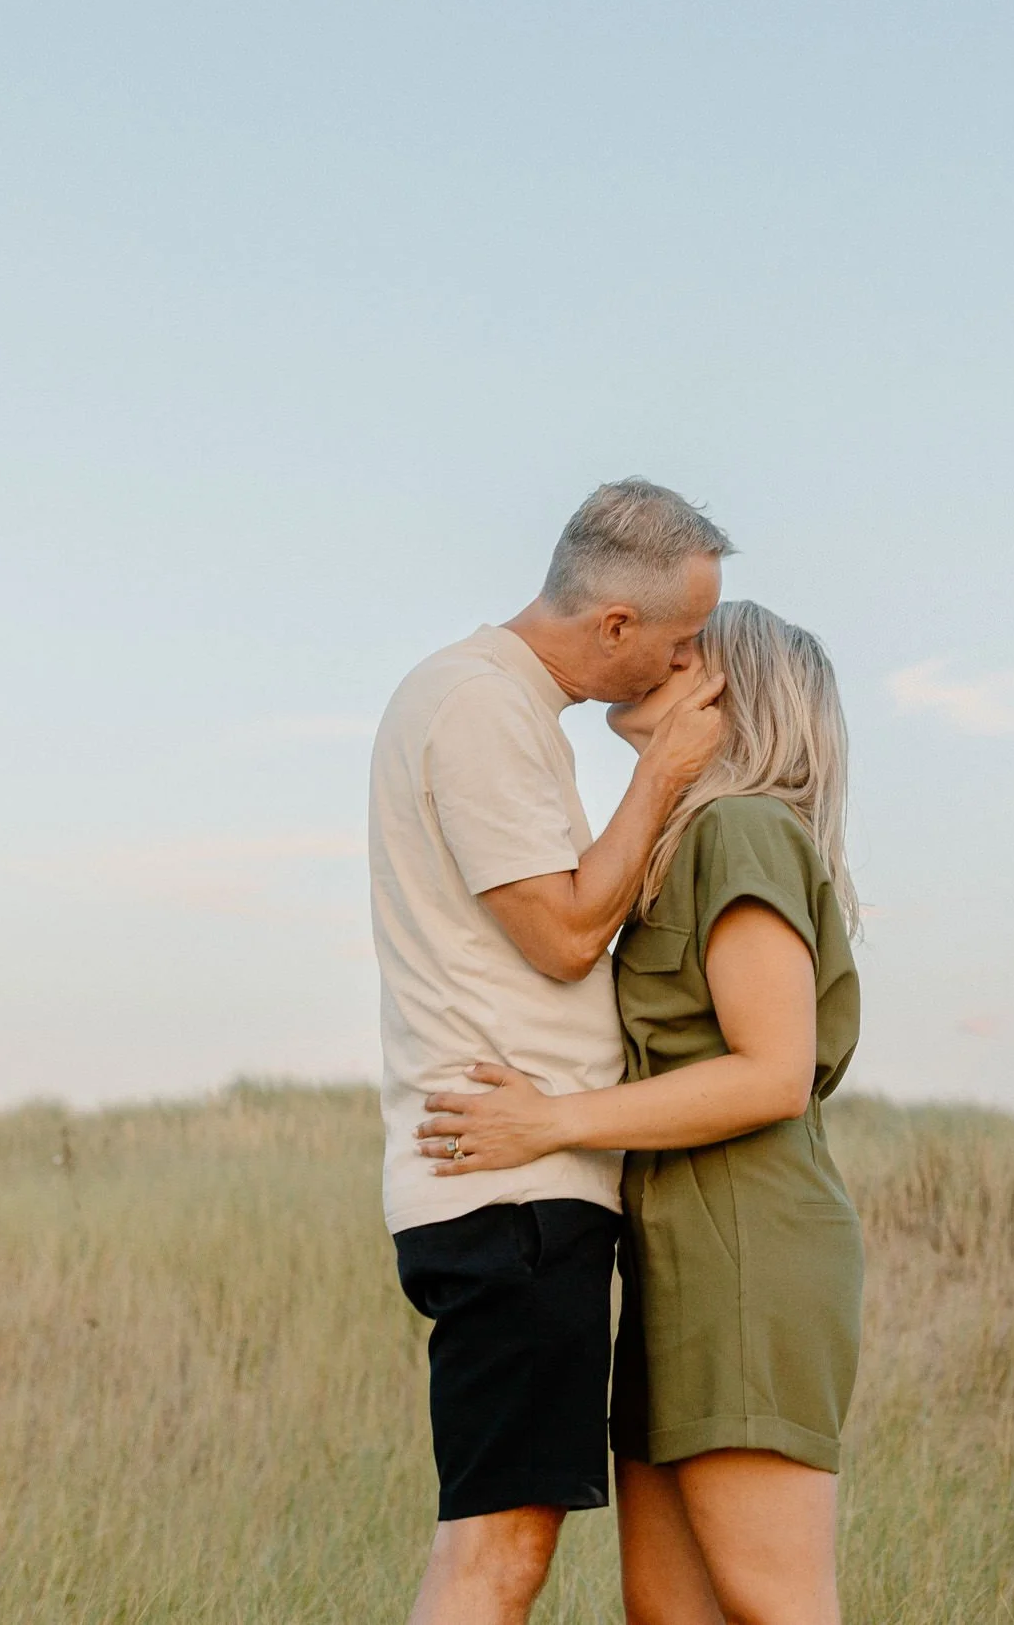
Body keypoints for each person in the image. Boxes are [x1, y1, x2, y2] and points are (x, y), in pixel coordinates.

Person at [418, 599, 864, 1625]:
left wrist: (553, 1120)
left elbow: (771, 1072)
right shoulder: (682, 837)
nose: (654, 661)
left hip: (749, 1251)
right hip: (672, 1258)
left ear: (725, 690)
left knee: (773, 1599)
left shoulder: (741, 830)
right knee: (666, 1606)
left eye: (683, 654)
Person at [368, 479, 734, 1625]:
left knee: (497, 1543)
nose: (689, 669)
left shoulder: (501, 708)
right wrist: (664, 771)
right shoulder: (476, 705)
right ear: (614, 626)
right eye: (681, 642)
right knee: (498, 1555)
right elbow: (568, 932)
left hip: (523, 1186)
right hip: (512, 1189)